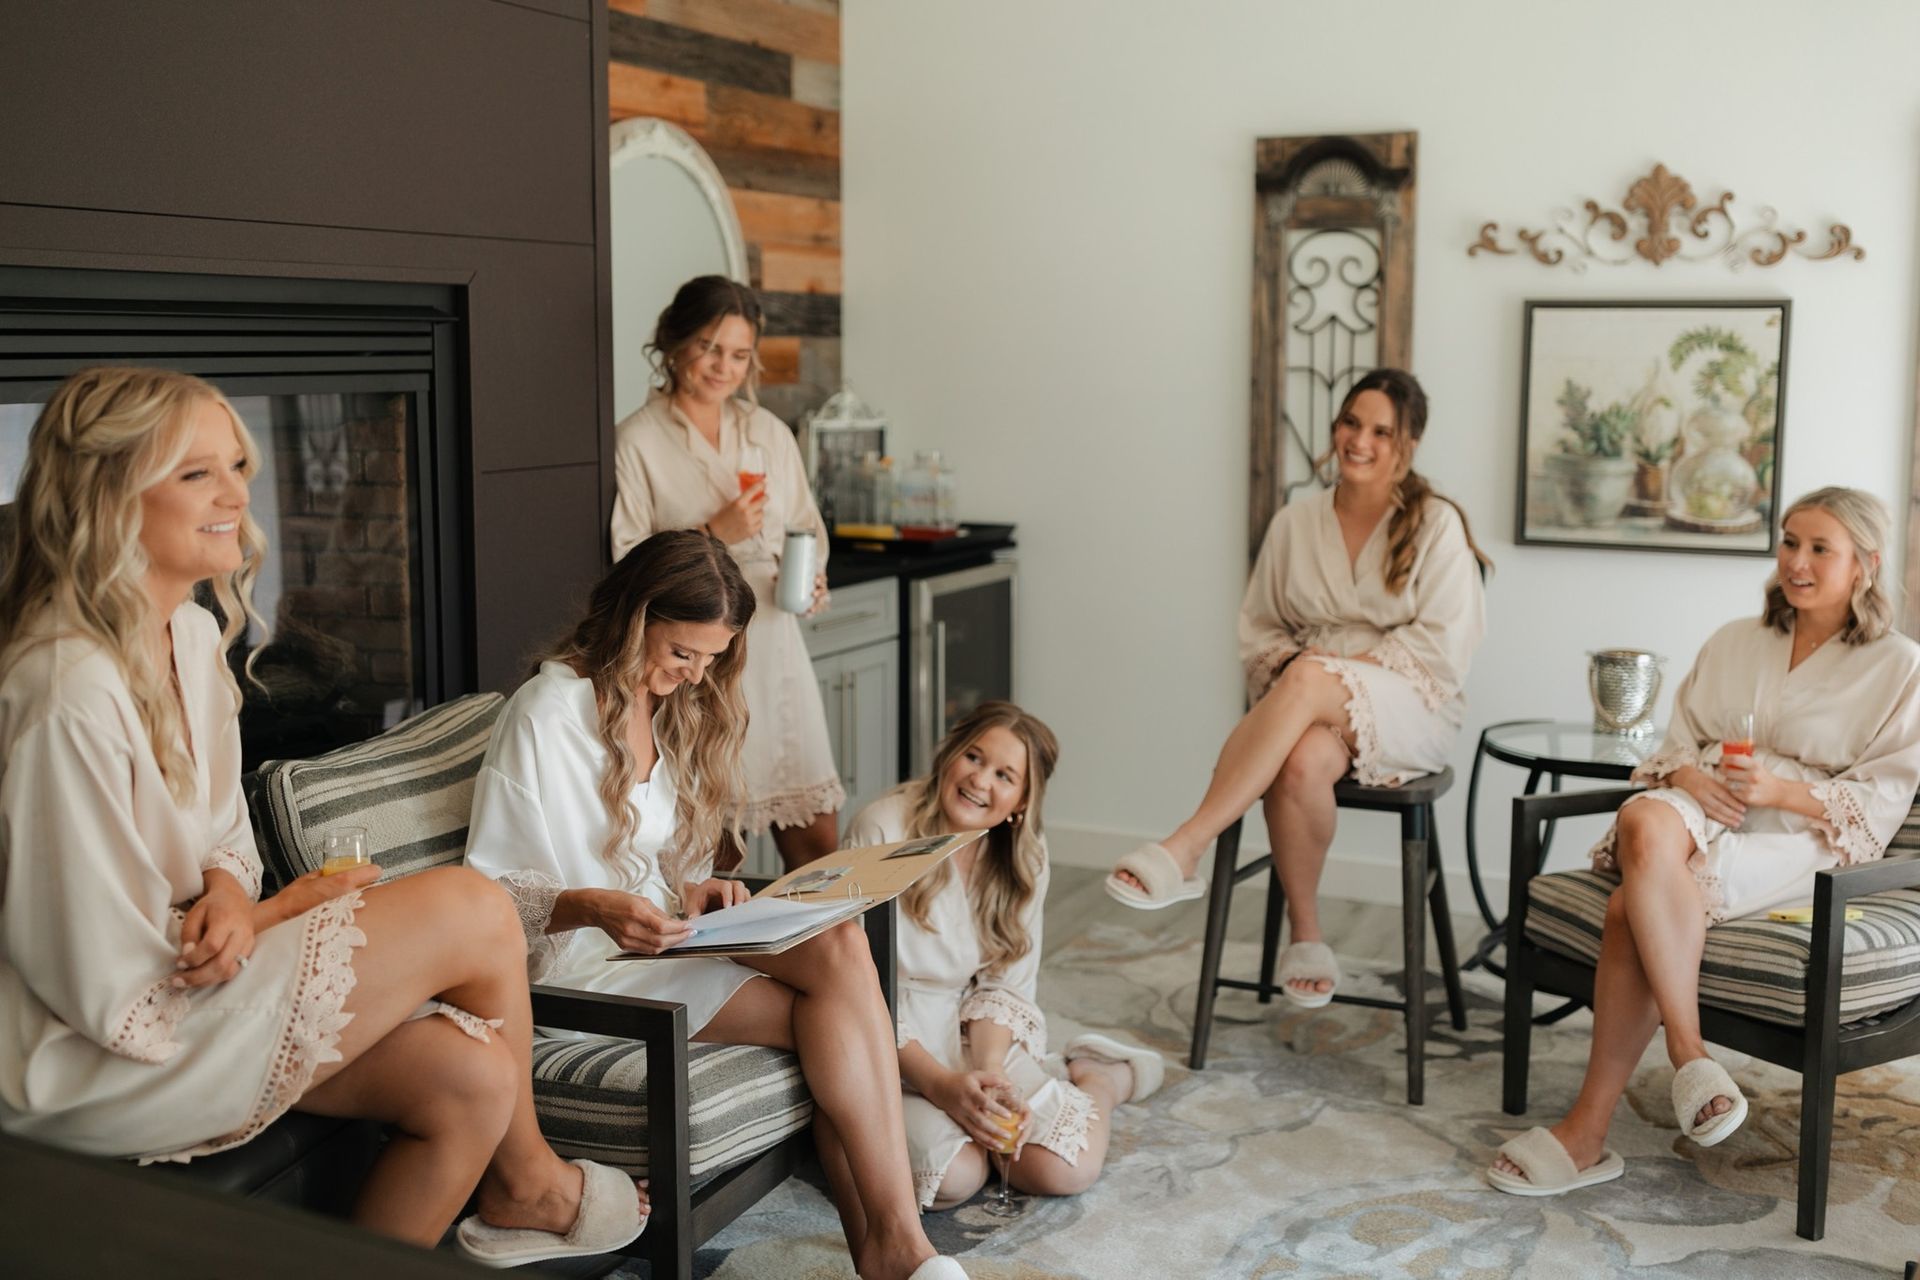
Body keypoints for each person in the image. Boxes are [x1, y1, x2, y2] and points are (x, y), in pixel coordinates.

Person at [0, 367, 644, 1266]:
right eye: (197, 474)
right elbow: (98, 982)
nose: (237, 495)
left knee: (471, 1078)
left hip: (188, 977)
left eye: (237, 466)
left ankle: (508, 1186)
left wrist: (231, 891)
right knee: (472, 907)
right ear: (106, 494)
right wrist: (276, 913)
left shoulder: (189, 633)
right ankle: (530, 1183)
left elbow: (223, 828)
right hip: (91, 1053)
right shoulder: (64, 689)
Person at [463, 528, 964, 1280]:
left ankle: (893, 1247)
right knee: (834, 1017)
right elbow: (488, 902)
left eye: (709, 659)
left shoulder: (656, 702)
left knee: (838, 943)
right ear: (635, 617)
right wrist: (595, 908)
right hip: (583, 968)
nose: (694, 677)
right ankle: (895, 1249)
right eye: (682, 652)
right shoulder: (545, 713)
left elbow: (652, 857)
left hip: (659, 940)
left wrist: (691, 887)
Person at [1488, 487, 1920, 1196]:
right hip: (1708, 794)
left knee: (1630, 907)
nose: (1797, 562)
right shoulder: (1735, 639)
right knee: (1642, 820)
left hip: (1801, 829)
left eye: (1821, 548)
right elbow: (1678, 741)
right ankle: (1690, 1053)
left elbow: (1882, 799)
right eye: (1790, 541)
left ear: (1865, 564)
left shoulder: (1899, 665)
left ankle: (1589, 1131)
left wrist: (1777, 792)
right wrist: (1689, 773)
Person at [1106, 368, 1490, 1010]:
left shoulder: (1436, 524)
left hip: (1413, 706)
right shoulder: (1294, 522)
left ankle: (1187, 845)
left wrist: (1335, 667)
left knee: (1309, 677)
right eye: (1351, 423)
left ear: (1409, 446)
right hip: (1311, 704)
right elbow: (1260, 630)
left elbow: (1444, 649)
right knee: (1302, 760)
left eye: (1381, 432)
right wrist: (1303, 666)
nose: (1359, 441)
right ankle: (1306, 936)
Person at [844, 701, 1164, 1211]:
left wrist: (990, 1075)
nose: (980, 780)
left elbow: (1005, 982)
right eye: (973, 757)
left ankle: (1098, 1078)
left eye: (1004, 775)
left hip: (972, 1030)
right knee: (956, 1177)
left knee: (1062, 1168)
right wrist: (942, 1087)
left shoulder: (1024, 853)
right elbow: (850, 986)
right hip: (878, 1034)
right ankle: (1001, 1111)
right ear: (949, 754)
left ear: (1021, 800)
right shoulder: (882, 828)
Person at [609, 276, 840, 869]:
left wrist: (811, 577)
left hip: (778, 650)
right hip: (699, 667)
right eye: (710, 348)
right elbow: (626, 562)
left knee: (817, 844)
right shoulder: (637, 441)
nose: (723, 367)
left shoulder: (768, 432)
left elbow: (806, 528)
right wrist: (713, 533)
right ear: (673, 342)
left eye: (739, 355)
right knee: (715, 852)